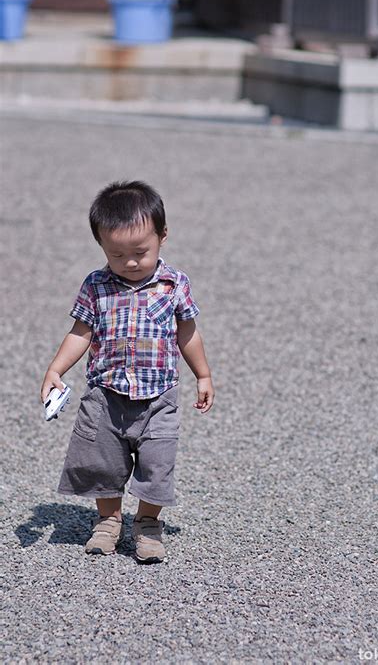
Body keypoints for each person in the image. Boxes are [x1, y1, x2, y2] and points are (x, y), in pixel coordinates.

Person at [41, 180, 214, 564]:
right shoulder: (97, 284)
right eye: (117, 254)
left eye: (140, 251)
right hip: (106, 393)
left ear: (162, 237)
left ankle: (149, 524)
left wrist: (202, 374)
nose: (131, 262)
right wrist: (56, 368)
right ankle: (108, 520)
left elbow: (188, 332)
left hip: (158, 396)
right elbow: (80, 332)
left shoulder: (173, 283)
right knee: (103, 461)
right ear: (102, 246)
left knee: (157, 463)